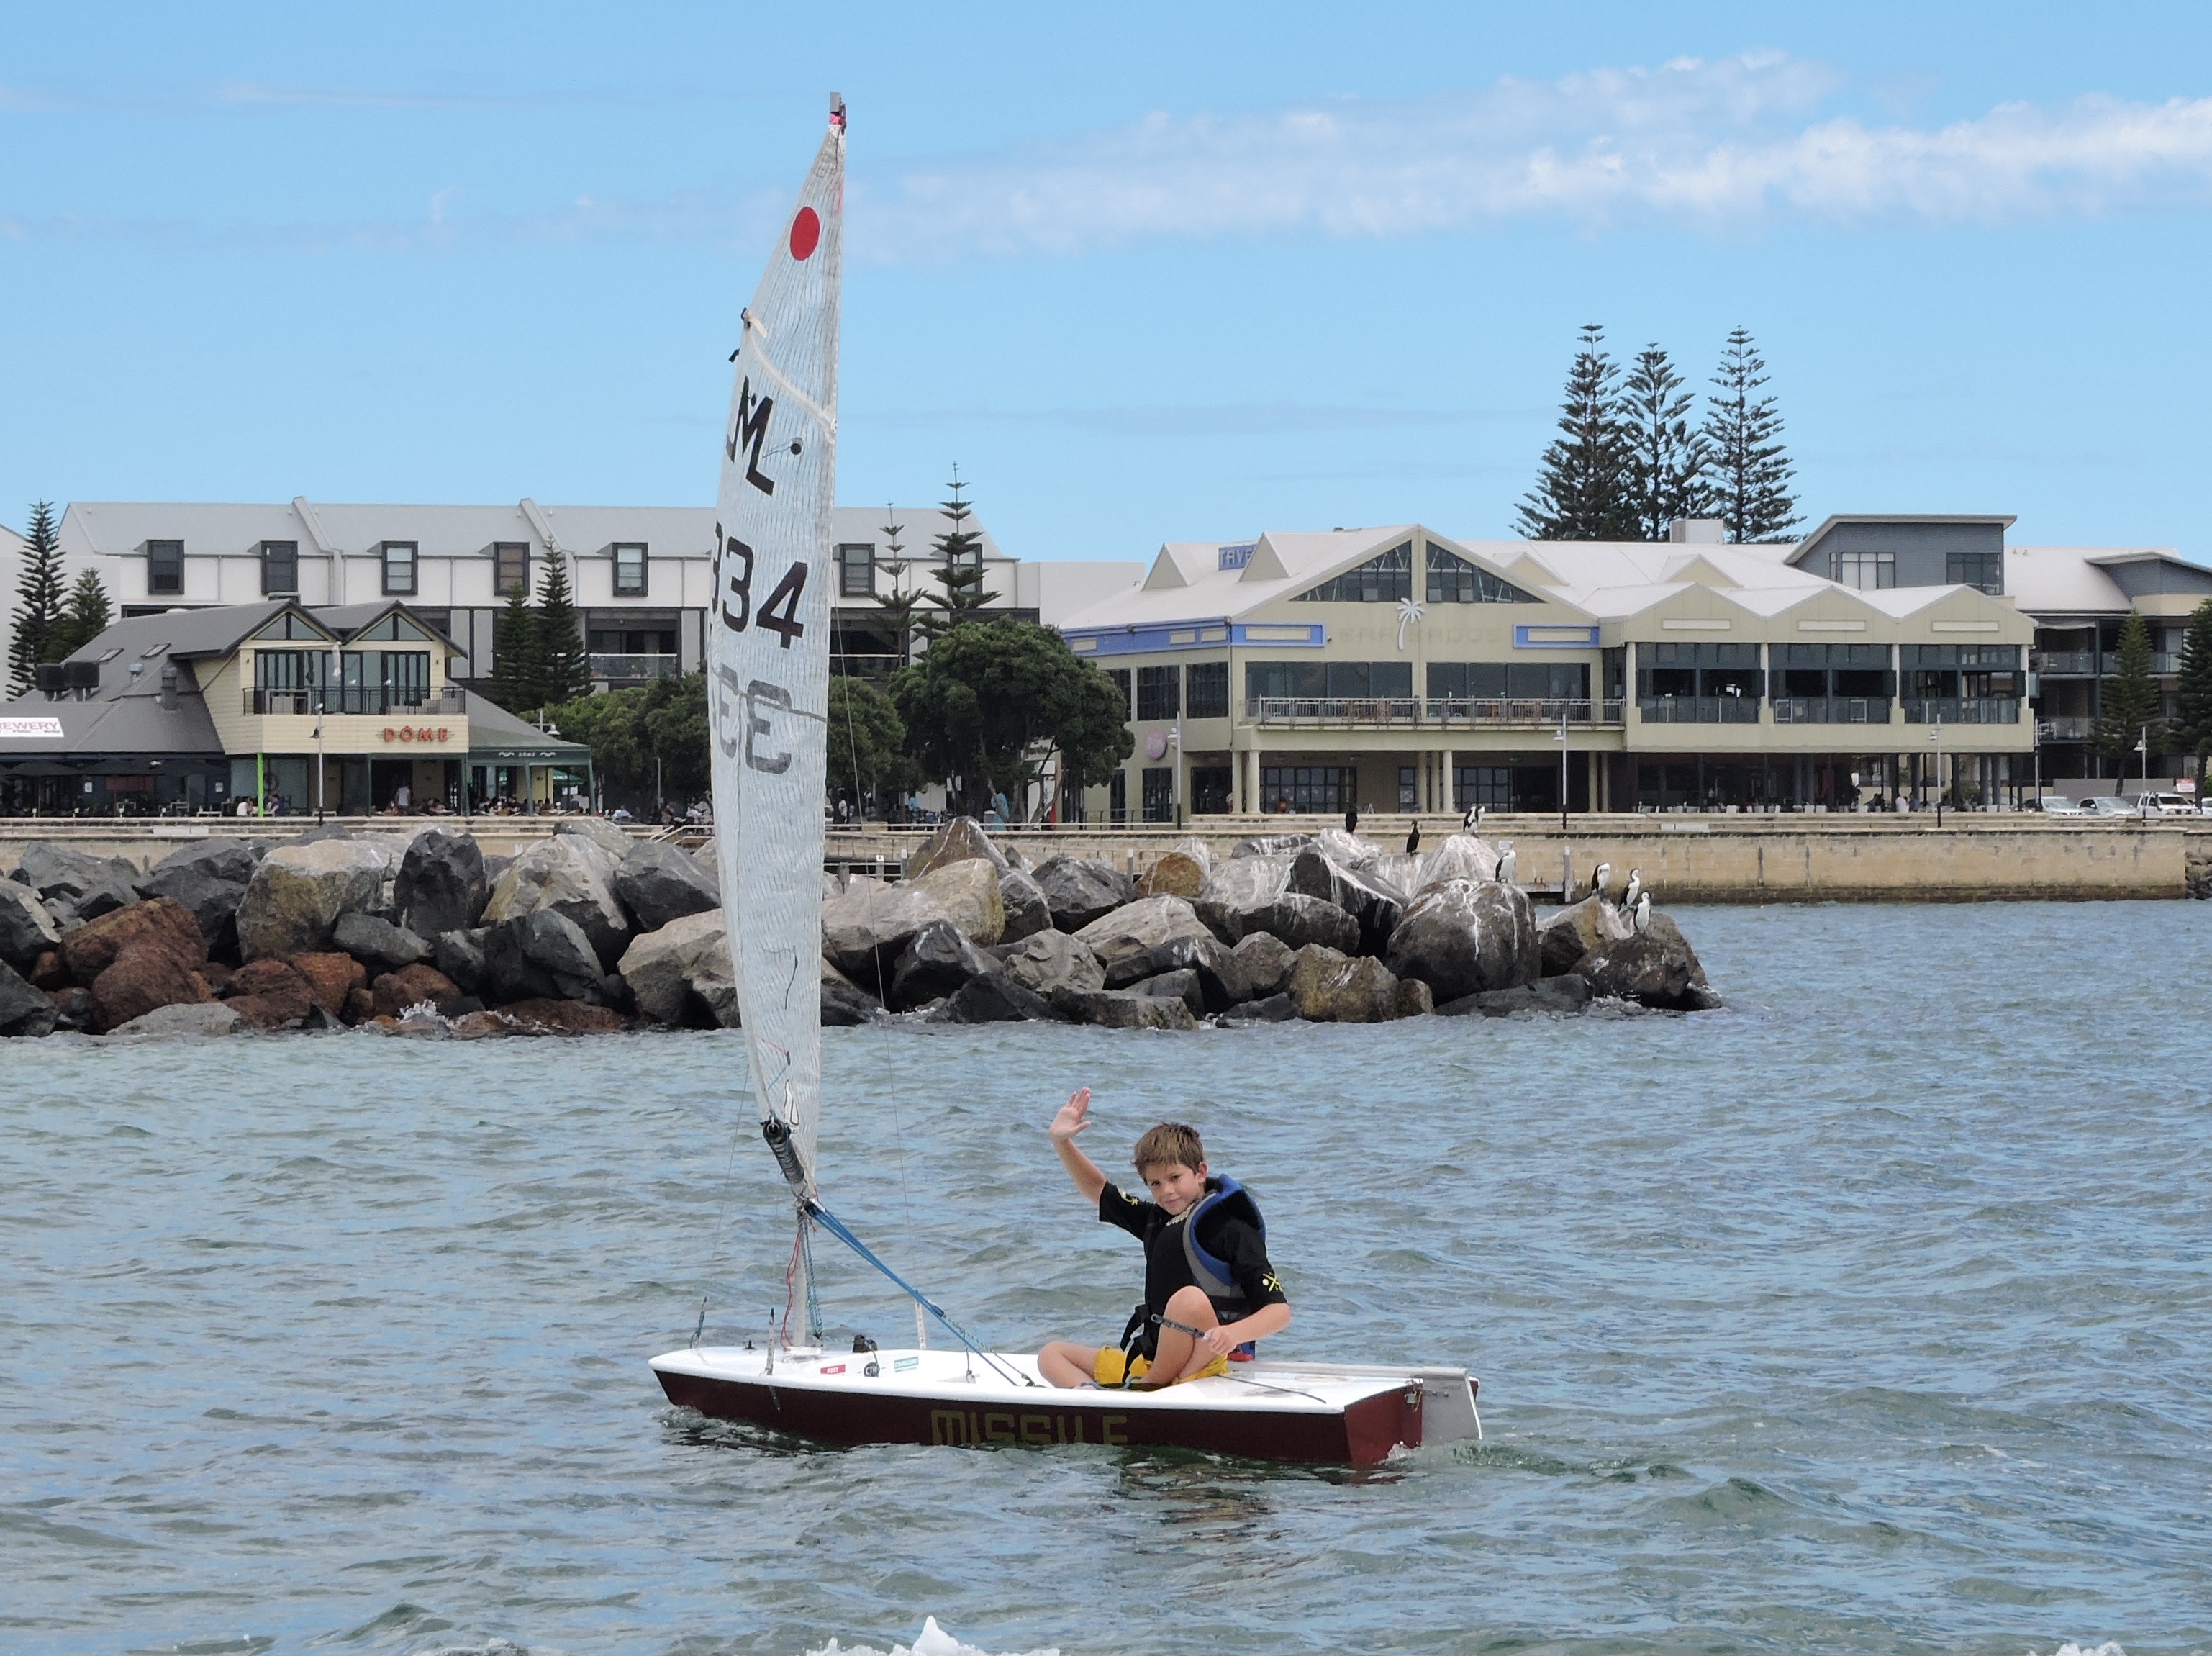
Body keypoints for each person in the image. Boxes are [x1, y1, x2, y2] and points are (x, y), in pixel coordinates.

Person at [1035, 1090, 1290, 1390]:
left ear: (1200, 1172)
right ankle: (1096, 1401)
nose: (1166, 1191)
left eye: (1174, 1178)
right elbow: (1098, 1190)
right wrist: (1061, 1141)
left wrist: (1233, 1333)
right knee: (1051, 1355)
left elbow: (1279, 1312)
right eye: (1155, 1183)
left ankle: (1149, 1388)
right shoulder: (1154, 1219)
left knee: (1187, 1299)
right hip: (1152, 1359)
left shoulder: (1230, 1228)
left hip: (1206, 1360)